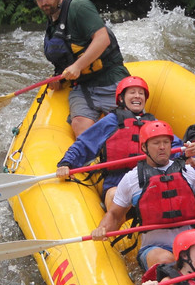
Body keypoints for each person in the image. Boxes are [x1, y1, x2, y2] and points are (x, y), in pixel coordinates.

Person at [92, 120, 195, 271]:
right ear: (144, 147)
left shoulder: (187, 171)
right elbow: (114, 215)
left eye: (166, 142)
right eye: (156, 143)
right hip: (154, 246)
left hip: (190, 241)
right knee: (167, 261)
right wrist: (102, 228)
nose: (162, 147)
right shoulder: (132, 179)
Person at [28, 0, 129, 138]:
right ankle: (93, 161)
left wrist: (77, 66)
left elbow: (102, 39)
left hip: (110, 77)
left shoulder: (78, 7)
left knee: (128, 126)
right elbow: (67, 55)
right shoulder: (52, 23)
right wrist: (59, 77)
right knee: (79, 125)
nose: (43, 2)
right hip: (83, 86)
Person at [55, 75, 179, 208]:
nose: (137, 96)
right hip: (117, 183)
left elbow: (175, 145)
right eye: (132, 92)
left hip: (151, 181)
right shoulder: (112, 121)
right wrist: (67, 163)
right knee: (114, 195)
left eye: (141, 93)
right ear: (121, 98)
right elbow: (85, 144)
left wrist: (185, 154)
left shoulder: (154, 123)